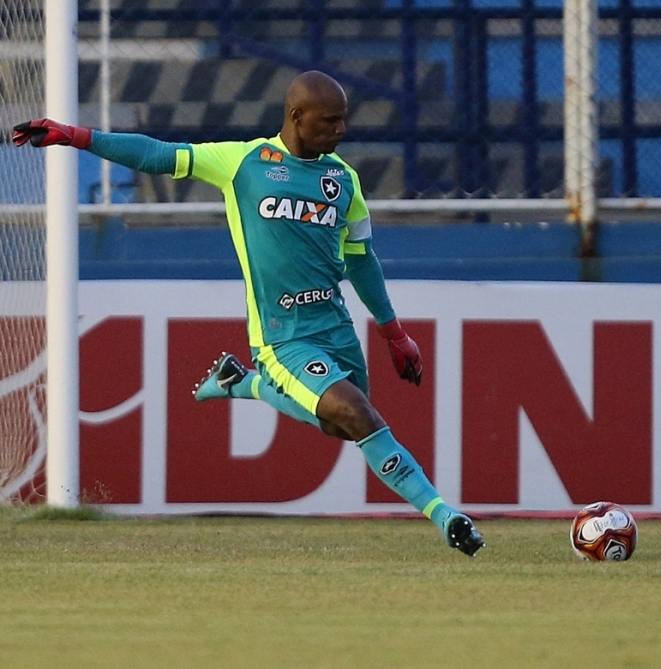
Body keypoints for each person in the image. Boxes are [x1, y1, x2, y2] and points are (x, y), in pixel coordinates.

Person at [13, 71, 485, 557]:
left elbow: (362, 260)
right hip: (283, 336)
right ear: (296, 116)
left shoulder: (344, 180)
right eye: (330, 120)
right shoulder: (243, 162)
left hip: (336, 327)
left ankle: (244, 383)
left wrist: (394, 334)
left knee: (341, 425)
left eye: (343, 119)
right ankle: (446, 516)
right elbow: (158, 154)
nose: (341, 130)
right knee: (357, 414)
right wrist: (77, 136)